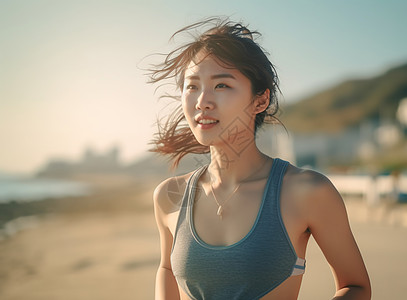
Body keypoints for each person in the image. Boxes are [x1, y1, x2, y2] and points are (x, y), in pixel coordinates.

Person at [149, 18, 371, 300]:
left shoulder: (306, 191)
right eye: (192, 86)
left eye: (222, 86)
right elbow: (167, 269)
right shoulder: (169, 196)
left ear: (260, 101)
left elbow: (356, 286)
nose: (202, 100)